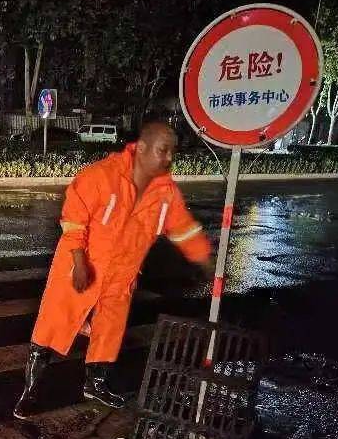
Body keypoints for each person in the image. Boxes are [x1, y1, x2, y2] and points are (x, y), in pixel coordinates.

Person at [14, 122, 213, 419]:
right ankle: (30, 391)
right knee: (51, 326)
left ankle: (96, 384)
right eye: (163, 150)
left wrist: (204, 259)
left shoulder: (165, 193)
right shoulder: (101, 176)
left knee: (109, 333)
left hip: (122, 276)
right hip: (79, 269)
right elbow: (73, 221)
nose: (169, 158)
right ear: (142, 148)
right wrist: (80, 263)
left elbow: (182, 229)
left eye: (173, 152)